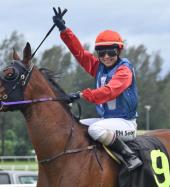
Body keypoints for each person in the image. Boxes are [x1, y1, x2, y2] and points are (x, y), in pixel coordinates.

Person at [52, 7, 142, 171]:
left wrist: (81, 94)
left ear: (119, 51)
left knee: (94, 129)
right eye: (101, 52)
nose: (106, 56)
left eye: (111, 52)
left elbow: (108, 92)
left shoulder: (124, 70)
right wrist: (64, 30)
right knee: (74, 126)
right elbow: (79, 53)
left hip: (126, 125)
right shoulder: (98, 67)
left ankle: (130, 156)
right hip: (107, 121)